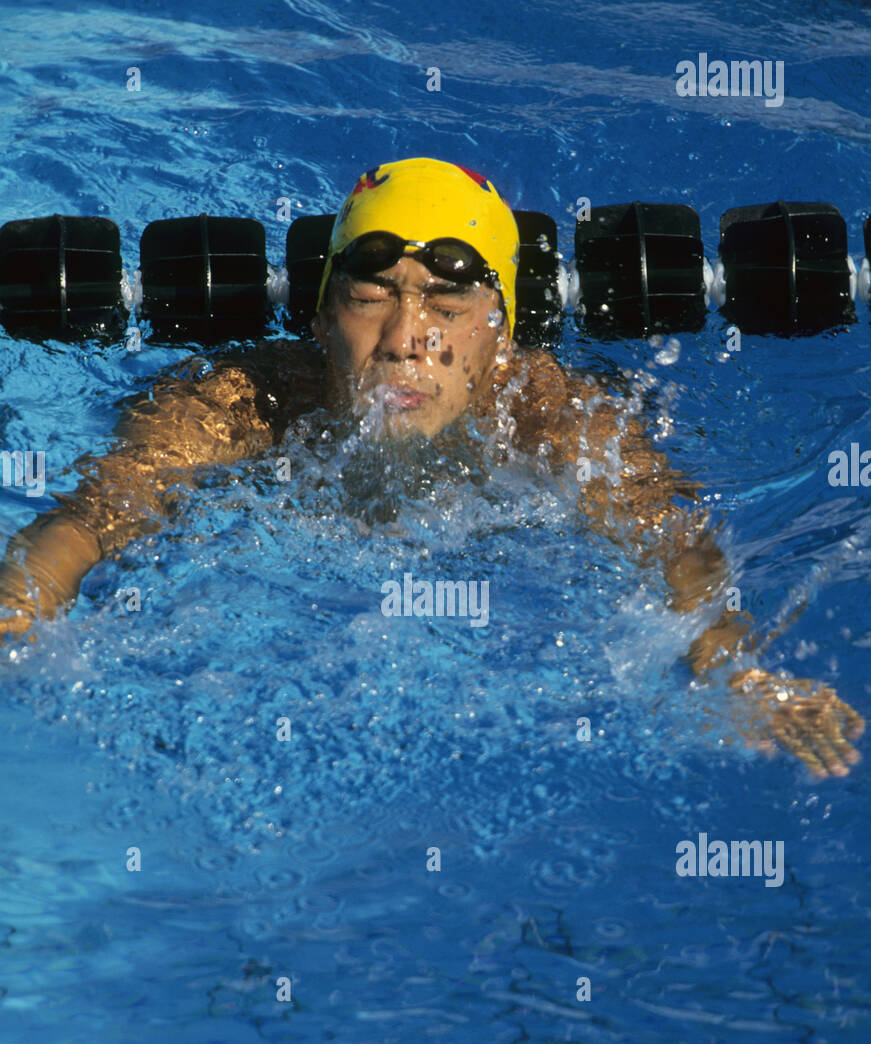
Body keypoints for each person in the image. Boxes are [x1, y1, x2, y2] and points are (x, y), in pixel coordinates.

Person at [0, 157, 863, 778]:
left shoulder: (552, 415)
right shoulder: (245, 402)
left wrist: (731, 662)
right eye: (370, 296)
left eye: (449, 304)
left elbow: (671, 542)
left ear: (500, 333)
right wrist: (18, 603)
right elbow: (94, 515)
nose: (409, 336)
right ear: (321, 318)